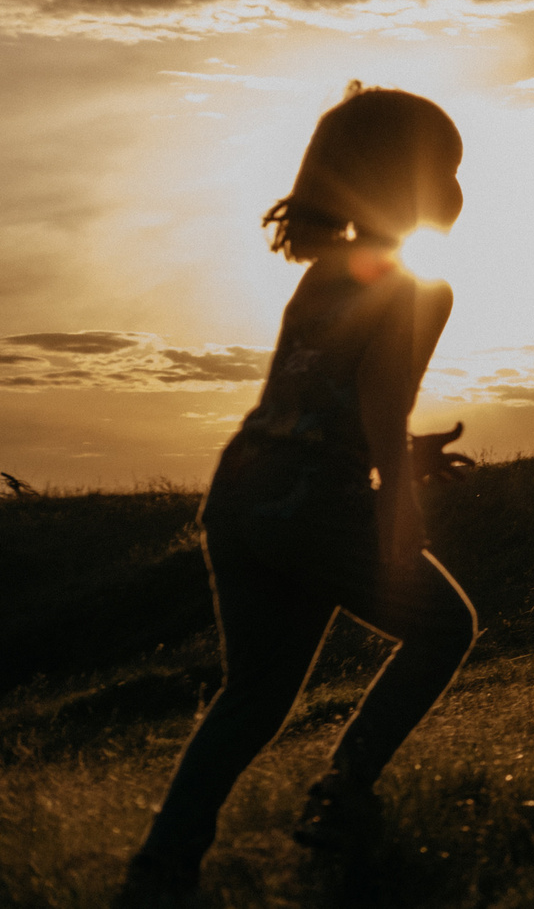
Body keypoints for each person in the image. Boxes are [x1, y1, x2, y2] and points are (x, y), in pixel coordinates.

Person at [118, 85, 481, 906]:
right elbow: (383, 400)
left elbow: (320, 398)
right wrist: (400, 503)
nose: (459, 189)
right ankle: (342, 794)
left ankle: (160, 869)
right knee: (445, 626)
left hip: (242, 491)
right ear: (409, 182)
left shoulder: (321, 275)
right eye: (448, 169)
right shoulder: (423, 287)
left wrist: (406, 454)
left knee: (252, 695)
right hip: (315, 503)